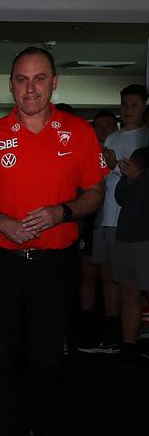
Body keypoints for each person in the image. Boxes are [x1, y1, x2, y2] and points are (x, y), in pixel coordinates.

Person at [0, 47, 107, 436]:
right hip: (3, 264)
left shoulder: (79, 134)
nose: (30, 88)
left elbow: (95, 192)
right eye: (21, 79)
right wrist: (1, 221)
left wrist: (63, 212)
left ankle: (34, 427)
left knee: (45, 359)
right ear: (10, 84)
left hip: (55, 266)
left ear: (54, 83)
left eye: (39, 79)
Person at [81, 85, 149, 355]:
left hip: (137, 222)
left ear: (144, 106)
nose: (129, 110)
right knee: (113, 281)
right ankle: (117, 337)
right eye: (125, 105)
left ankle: (136, 338)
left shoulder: (145, 138)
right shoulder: (113, 138)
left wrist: (128, 175)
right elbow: (103, 178)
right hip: (108, 217)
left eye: (134, 105)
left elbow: (135, 180)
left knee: (134, 285)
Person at [75, 109, 121, 351]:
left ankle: (111, 332)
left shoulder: (122, 153)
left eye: (108, 125)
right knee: (87, 275)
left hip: (112, 223)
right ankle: (86, 327)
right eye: (99, 125)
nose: (103, 130)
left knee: (109, 277)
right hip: (89, 221)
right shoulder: (85, 152)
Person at [112, 145, 149, 365]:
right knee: (129, 295)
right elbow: (120, 197)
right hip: (125, 239)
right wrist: (130, 178)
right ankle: (129, 346)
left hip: (146, 239)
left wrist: (140, 177)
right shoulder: (138, 159)